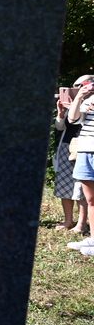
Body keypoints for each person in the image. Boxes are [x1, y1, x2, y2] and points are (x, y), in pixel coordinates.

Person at [54, 77, 90, 233]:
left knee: (82, 188)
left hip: (83, 147)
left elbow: (79, 123)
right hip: (65, 147)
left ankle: (81, 224)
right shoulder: (72, 102)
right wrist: (61, 114)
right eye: (74, 85)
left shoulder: (90, 103)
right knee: (64, 184)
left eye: (80, 85)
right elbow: (60, 127)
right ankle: (68, 220)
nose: (76, 88)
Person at [65, 75, 94, 255]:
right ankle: (93, 240)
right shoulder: (88, 99)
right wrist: (79, 97)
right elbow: (73, 119)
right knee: (91, 200)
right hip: (85, 151)